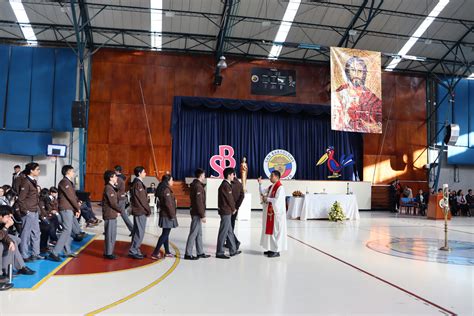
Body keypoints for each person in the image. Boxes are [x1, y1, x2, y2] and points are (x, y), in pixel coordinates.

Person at [333, 56, 382, 133]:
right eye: (353, 70)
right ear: (348, 72)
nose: (356, 74)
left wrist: (376, 125)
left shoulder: (370, 96)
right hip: (342, 132)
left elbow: (379, 113)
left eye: (359, 71)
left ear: (363, 74)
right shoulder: (340, 93)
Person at [48, 165, 81, 262]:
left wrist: (76, 207)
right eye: (72, 171)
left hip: (68, 208)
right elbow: (70, 196)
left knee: (68, 230)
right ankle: (54, 252)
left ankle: (67, 251)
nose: (74, 173)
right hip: (66, 208)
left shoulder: (68, 182)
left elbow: (72, 196)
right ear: (68, 172)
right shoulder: (64, 182)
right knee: (66, 230)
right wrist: (77, 208)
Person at [0, 205, 35, 284]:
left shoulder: (2, 222)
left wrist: (10, 241)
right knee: (2, 246)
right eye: (8, 216)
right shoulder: (4, 224)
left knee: (14, 242)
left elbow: (4, 235)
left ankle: (8, 270)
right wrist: (6, 226)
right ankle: (5, 271)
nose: (10, 219)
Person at [258, 170, 287, 258]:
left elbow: (278, 201)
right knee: (271, 232)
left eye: (271, 176)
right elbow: (263, 191)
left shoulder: (280, 188)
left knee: (275, 232)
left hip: (277, 215)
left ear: (276, 177)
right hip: (271, 213)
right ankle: (271, 248)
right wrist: (260, 184)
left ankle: (276, 250)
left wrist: (268, 199)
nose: (270, 177)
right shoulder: (272, 186)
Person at [17, 162, 43, 262]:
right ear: (31, 171)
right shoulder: (25, 182)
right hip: (28, 212)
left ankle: (35, 253)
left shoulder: (33, 181)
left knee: (36, 232)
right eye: (37, 169)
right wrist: (25, 211)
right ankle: (24, 254)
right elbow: (20, 199)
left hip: (34, 210)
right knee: (26, 234)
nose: (39, 171)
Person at [215, 168, 241, 259]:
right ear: (229, 175)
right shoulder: (225, 185)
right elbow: (229, 199)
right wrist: (234, 209)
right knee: (223, 231)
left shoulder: (227, 184)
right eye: (233, 174)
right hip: (226, 211)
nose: (234, 176)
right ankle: (219, 252)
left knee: (230, 231)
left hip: (227, 211)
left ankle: (233, 250)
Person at [184, 168, 210, 260]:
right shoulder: (198, 186)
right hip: (197, 212)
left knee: (199, 234)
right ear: (201, 175)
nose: (204, 176)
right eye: (204, 175)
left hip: (197, 211)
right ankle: (188, 253)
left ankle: (200, 252)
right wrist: (202, 215)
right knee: (193, 233)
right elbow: (199, 202)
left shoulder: (197, 185)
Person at [151, 175, 178, 260]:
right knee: (165, 234)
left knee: (166, 233)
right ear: (168, 181)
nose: (172, 182)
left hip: (165, 214)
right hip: (167, 215)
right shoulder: (166, 190)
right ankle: (155, 252)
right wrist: (172, 215)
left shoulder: (162, 188)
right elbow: (168, 204)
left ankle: (167, 252)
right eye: (172, 180)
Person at [128, 166, 151, 259]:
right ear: (139, 173)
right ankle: (133, 250)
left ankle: (136, 249)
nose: (145, 173)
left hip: (139, 210)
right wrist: (148, 210)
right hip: (140, 210)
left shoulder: (137, 183)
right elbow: (142, 199)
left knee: (137, 231)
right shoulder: (138, 184)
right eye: (144, 172)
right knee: (140, 232)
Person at [102, 170, 121, 260]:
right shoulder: (108, 188)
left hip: (112, 214)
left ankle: (109, 251)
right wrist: (121, 210)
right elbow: (113, 203)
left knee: (112, 234)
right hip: (109, 214)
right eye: (115, 176)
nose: (116, 177)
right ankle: (108, 253)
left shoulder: (111, 187)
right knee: (110, 234)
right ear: (110, 178)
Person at [224, 176, 245, 249]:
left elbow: (228, 198)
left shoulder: (229, 184)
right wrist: (237, 207)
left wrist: (234, 208)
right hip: (235, 208)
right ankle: (230, 242)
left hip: (229, 209)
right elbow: (242, 196)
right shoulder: (239, 184)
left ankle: (235, 242)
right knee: (231, 226)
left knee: (228, 227)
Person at [115, 165, 133, 234]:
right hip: (122, 198)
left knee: (113, 215)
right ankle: (132, 229)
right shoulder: (122, 177)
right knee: (123, 215)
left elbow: (116, 188)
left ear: (117, 170)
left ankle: (109, 230)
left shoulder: (119, 179)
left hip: (119, 198)